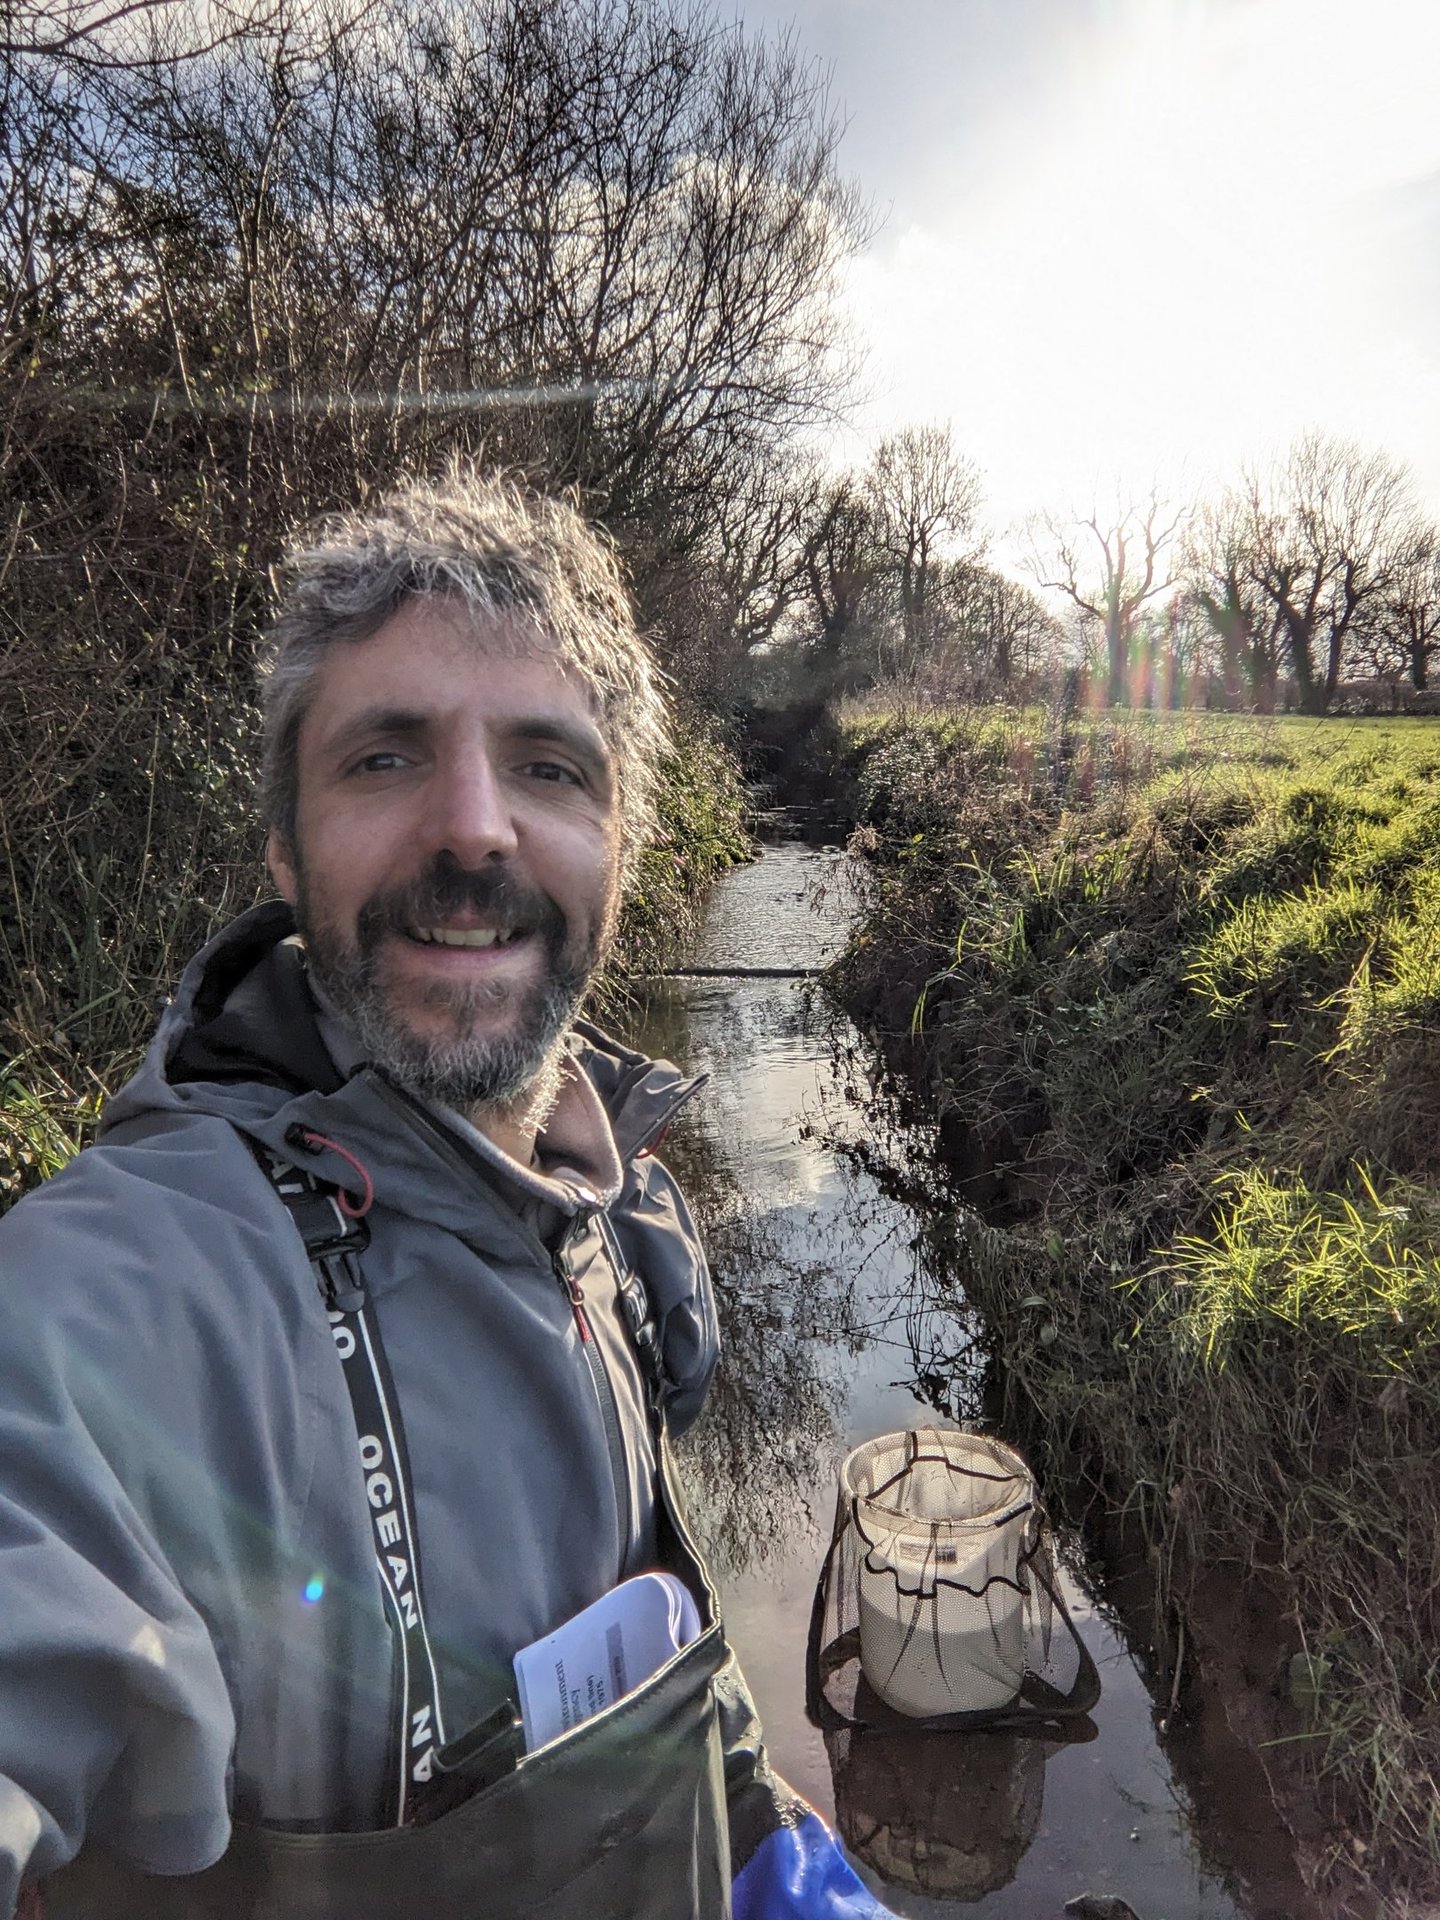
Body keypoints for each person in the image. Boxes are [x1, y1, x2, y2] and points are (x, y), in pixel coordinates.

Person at [0, 473, 894, 1918]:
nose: (474, 829)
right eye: (384, 758)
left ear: (623, 843)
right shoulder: (123, 1304)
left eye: (548, 767)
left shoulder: (616, 1222)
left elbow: (663, 1682)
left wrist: (782, 1868)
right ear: (285, 850)